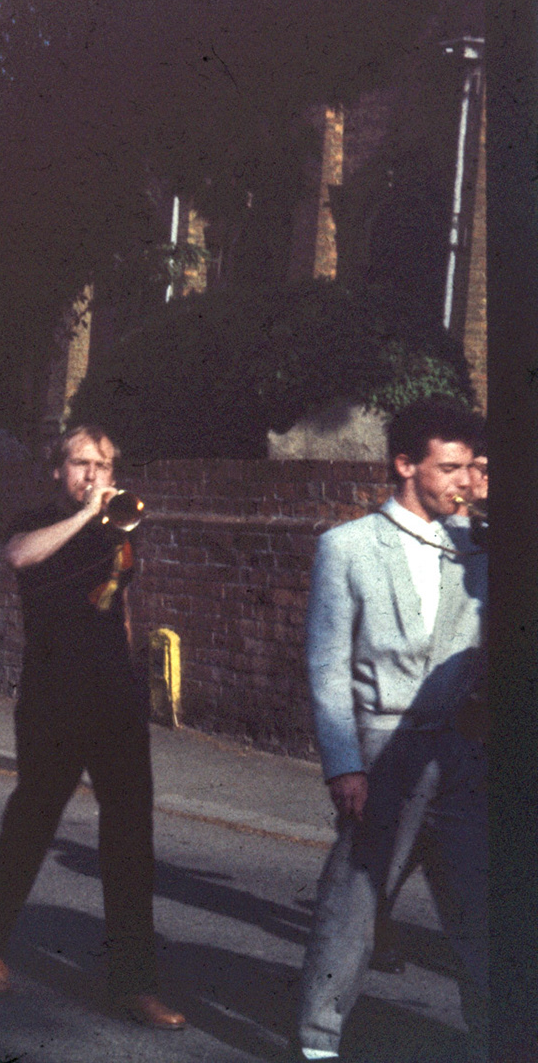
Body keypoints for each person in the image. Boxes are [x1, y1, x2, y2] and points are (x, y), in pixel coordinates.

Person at [0, 425, 185, 1029]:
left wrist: (134, 670)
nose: (95, 474)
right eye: (83, 463)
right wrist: (87, 514)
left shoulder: (123, 525)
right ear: (58, 470)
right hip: (53, 697)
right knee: (31, 822)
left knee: (130, 841)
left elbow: (123, 605)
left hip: (114, 698)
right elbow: (18, 557)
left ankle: (133, 983)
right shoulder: (34, 521)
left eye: (105, 464)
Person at [293, 398, 486, 1063]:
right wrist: (343, 764)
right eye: (451, 467)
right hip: (382, 755)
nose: (464, 480)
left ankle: (503, 1040)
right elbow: (326, 668)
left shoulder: (479, 549)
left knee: (480, 911)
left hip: (460, 758)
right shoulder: (346, 548)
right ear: (406, 464)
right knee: (353, 910)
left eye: (471, 467)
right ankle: (318, 1040)